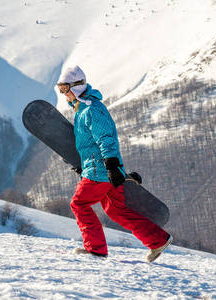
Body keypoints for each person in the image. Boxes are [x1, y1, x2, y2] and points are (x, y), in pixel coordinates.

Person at [56, 65, 172, 263]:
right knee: (116, 210)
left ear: (74, 87)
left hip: (100, 171)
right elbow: (91, 144)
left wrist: (110, 165)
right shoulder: (83, 109)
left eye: (64, 89)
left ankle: (95, 249)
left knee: (79, 203)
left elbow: (106, 138)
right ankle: (157, 240)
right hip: (98, 168)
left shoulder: (92, 109)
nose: (62, 94)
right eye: (60, 89)